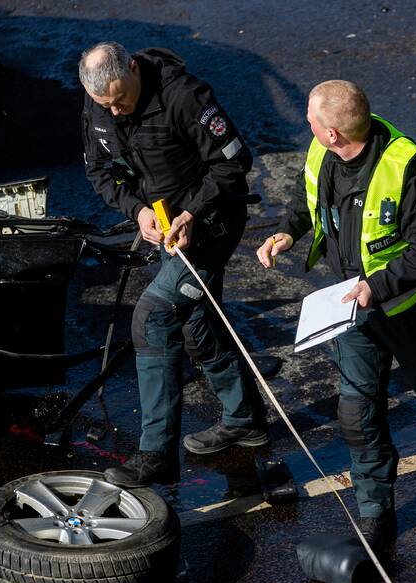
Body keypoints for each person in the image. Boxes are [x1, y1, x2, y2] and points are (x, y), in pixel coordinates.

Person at [256, 80, 416, 551]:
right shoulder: (322, 154)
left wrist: (375, 287)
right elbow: (307, 196)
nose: (308, 127)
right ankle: (375, 515)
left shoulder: (406, 167)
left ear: (334, 132)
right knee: (358, 413)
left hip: (410, 314)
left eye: (312, 122)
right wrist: (287, 233)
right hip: (351, 310)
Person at [79, 42, 267, 488]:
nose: (118, 112)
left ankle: (156, 455)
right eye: (107, 105)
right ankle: (245, 419)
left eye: (121, 100)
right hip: (164, 229)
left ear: (134, 68)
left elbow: (235, 163)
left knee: (155, 315)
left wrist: (193, 214)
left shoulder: (185, 97)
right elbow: (99, 171)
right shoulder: (99, 104)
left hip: (212, 225)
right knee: (196, 324)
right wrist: (137, 211)